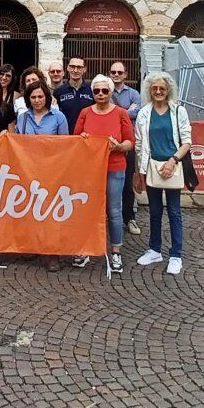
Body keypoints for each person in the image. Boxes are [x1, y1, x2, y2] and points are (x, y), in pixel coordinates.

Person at [73, 74, 134, 273]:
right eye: (97, 91)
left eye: (105, 90)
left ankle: (116, 250)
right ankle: (85, 248)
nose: (100, 94)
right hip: (89, 169)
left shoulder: (121, 114)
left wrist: (118, 147)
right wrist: (82, 138)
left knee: (114, 210)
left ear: (110, 92)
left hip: (115, 166)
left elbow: (129, 142)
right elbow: (76, 138)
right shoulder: (85, 113)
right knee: (88, 209)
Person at [133, 72, 192, 275]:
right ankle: (154, 249)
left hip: (172, 166)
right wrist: (139, 173)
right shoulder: (143, 113)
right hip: (151, 167)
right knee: (155, 211)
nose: (158, 92)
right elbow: (140, 144)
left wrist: (173, 160)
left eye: (162, 89)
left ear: (168, 91)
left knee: (174, 212)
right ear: (150, 91)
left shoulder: (178, 112)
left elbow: (187, 142)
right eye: (154, 88)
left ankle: (176, 254)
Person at [15, 80, 70, 270]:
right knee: (31, 209)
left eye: (40, 96)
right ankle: (33, 245)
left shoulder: (58, 117)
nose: (37, 100)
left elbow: (66, 145)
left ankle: (52, 252)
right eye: (33, 97)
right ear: (28, 99)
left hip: (52, 171)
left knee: (50, 212)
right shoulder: (22, 118)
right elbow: (17, 143)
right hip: (28, 170)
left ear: (47, 96)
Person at [109, 61, 143, 235]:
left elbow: (137, 112)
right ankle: (108, 219)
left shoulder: (134, 93)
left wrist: (115, 111)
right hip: (108, 144)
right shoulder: (105, 90)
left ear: (125, 74)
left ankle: (129, 218)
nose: (116, 75)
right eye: (113, 72)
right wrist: (124, 111)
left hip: (127, 143)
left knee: (127, 183)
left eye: (119, 72)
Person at [55, 56, 94, 133]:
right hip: (66, 138)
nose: (75, 70)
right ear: (67, 68)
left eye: (79, 67)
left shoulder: (92, 89)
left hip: (87, 138)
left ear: (84, 69)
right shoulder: (59, 91)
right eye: (72, 67)